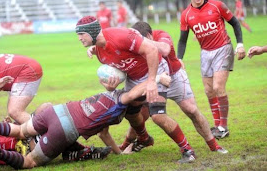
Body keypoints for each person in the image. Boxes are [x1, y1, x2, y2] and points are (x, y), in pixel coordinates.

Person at [0, 72, 171, 170]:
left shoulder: (111, 94)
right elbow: (133, 94)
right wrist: (156, 79)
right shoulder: (122, 102)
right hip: (65, 128)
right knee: (29, 162)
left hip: (58, 110)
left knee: (21, 131)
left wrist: (119, 151)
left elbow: (104, 133)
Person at [76, 16, 197, 163]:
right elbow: (122, 67)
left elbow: (152, 50)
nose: (79, 38)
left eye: (81, 34)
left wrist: (152, 80)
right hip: (134, 78)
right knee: (130, 111)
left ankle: (187, 150)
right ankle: (144, 138)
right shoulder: (99, 52)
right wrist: (111, 85)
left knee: (157, 116)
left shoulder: (121, 36)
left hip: (155, 70)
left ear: (92, 32)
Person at [119, 22, 227, 156]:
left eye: (139, 40)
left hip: (175, 77)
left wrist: (142, 41)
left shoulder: (161, 35)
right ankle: (127, 144)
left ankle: (214, 145)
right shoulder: (132, 42)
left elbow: (165, 50)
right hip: (154, 79)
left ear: (148, 36)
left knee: (191, 110)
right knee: (142, 115)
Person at [177, 0, 246, 139]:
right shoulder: (186, 15)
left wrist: (240, 44)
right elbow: (182, 40)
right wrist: (179, 58)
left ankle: (224, 126)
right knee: (208, 90)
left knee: (217, 86)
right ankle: (217, 125)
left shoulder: (217, 5)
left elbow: (235, 23)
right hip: (205, 53)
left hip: (223, 48)